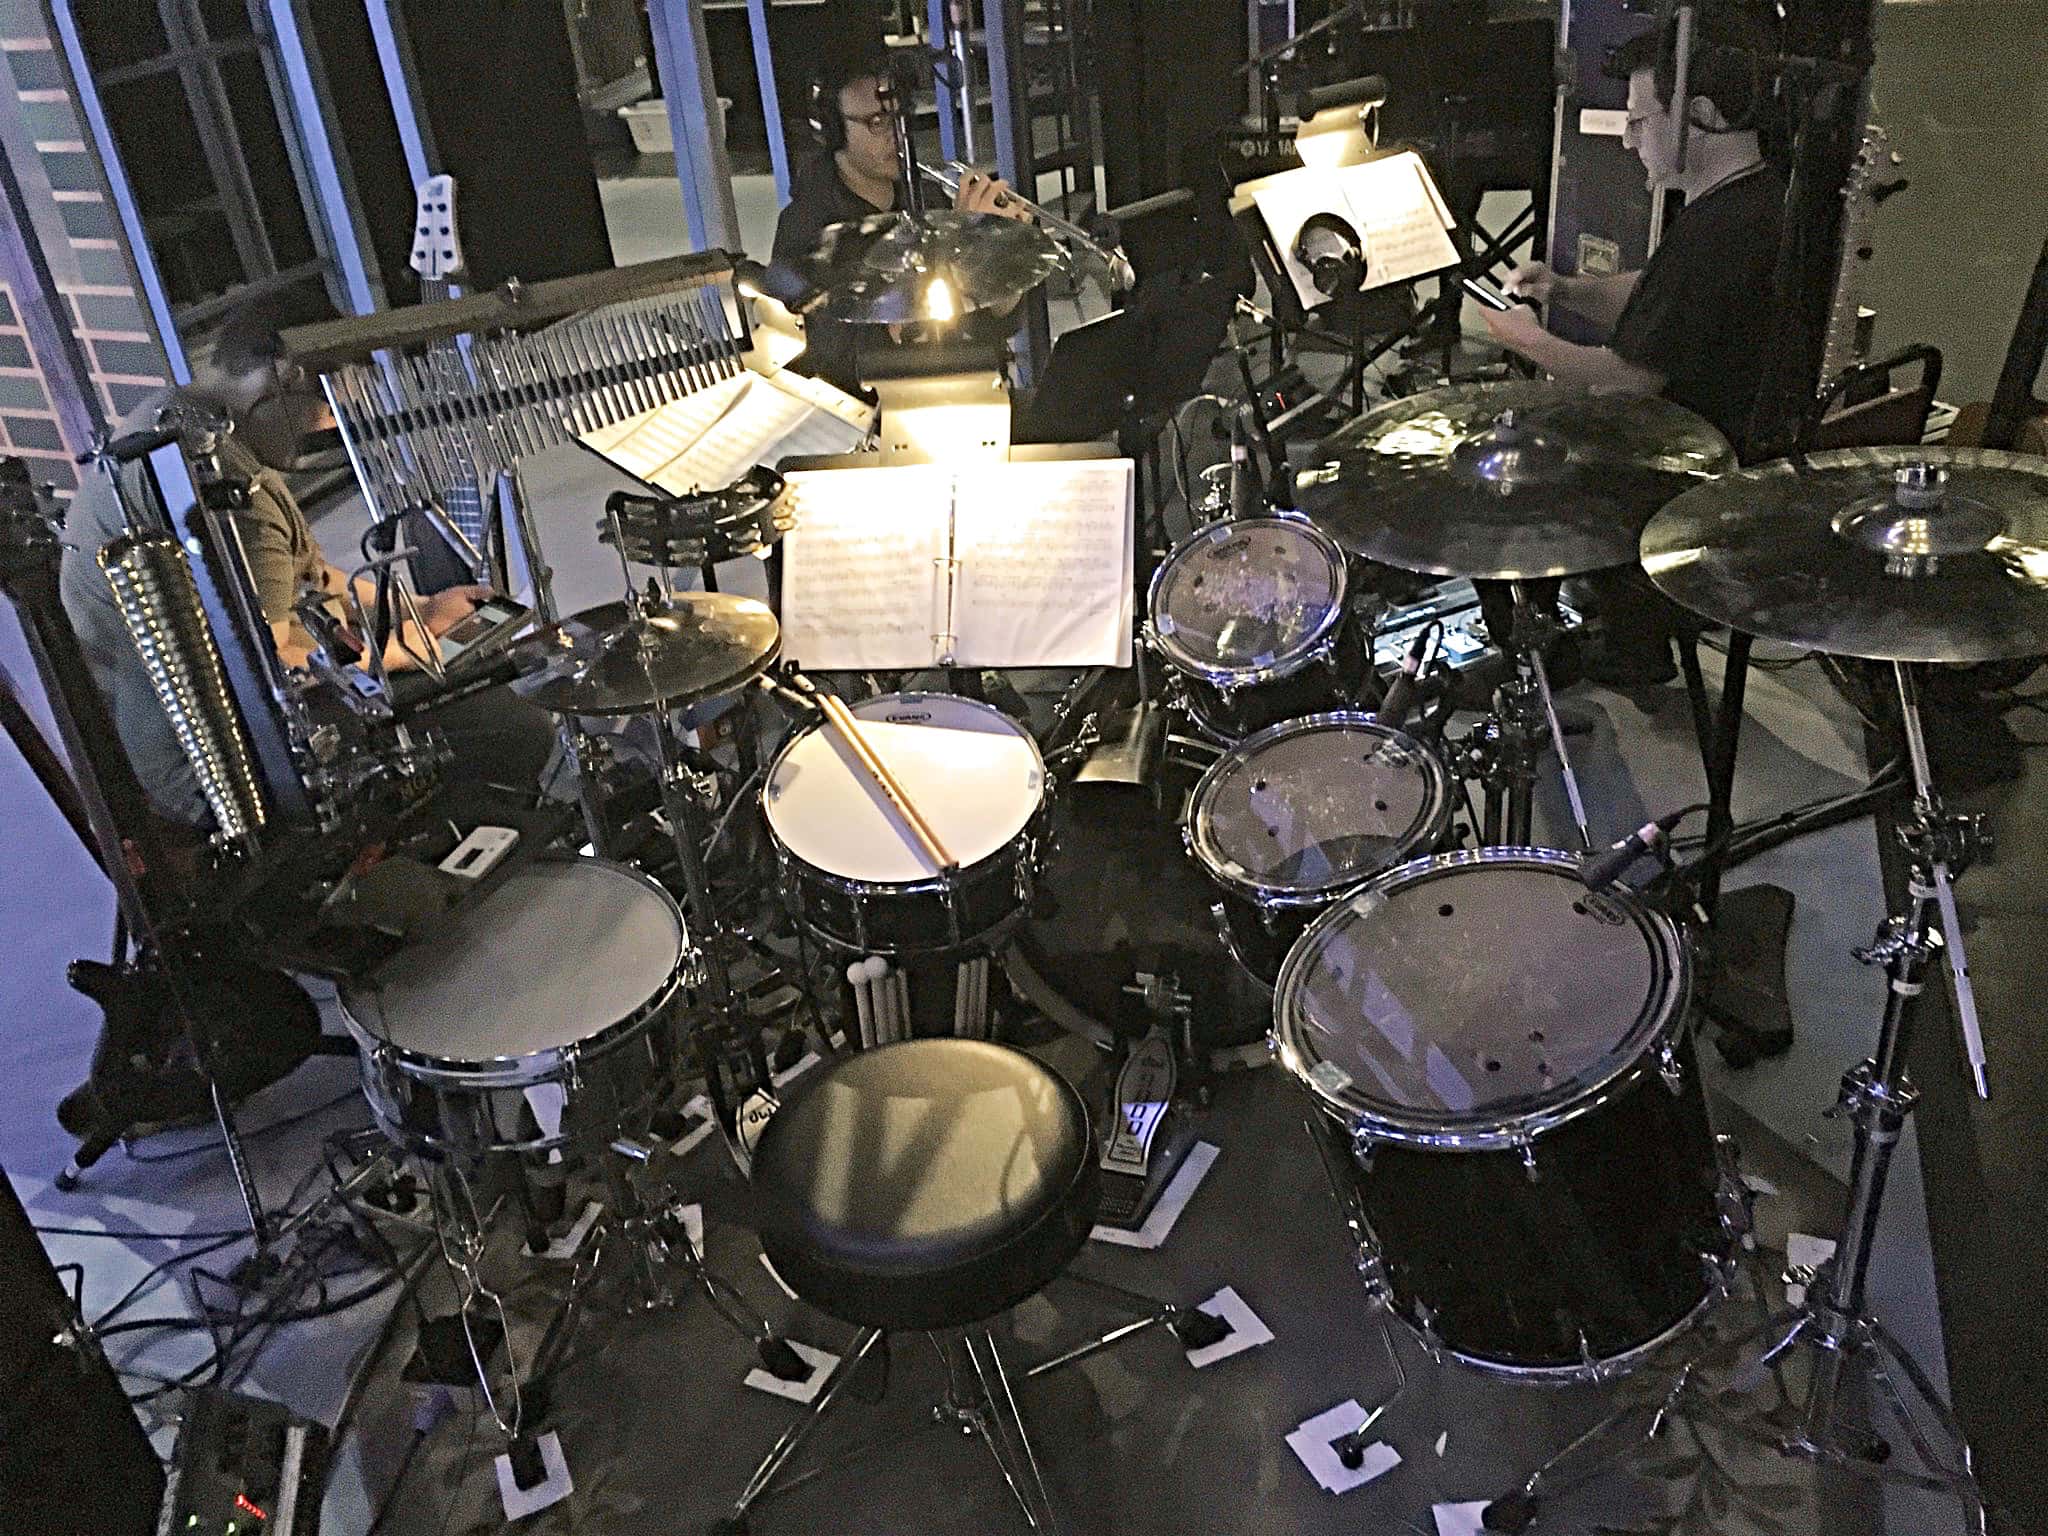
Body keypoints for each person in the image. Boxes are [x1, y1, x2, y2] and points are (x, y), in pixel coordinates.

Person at [60, 293, 558, 832]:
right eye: (325, 408)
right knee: (516, 727)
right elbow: (280, 672)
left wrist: (419, 606)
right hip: (220, 769)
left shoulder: (169, 412)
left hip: (195, 724)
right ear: (278, 382)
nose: (324, 427)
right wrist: (407, 652)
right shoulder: (231, 491)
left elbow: (311, 579)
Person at [1480, 5, 1785, 684]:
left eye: (1641, 121)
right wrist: (1563, 290)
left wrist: (1523, 339)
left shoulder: (1718, 232)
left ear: (1699, 116)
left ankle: (1566, 648)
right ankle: (1623, 633)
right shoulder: (1754, 199)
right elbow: (1662, 299)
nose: (1628, 141)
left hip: (1691, 475)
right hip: (1721, 444)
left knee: (1497, 466)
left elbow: (1624, 377)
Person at [770, 42, 1029, 393]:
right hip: (875, 416)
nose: (896, 135)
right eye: (877, 122)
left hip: (961, 390)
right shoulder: (806, 227)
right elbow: (840, 360)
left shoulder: (927, 197)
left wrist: (996, 251)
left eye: (898, 117)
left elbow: (994, 322)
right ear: (833, 130)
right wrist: (956, 244)